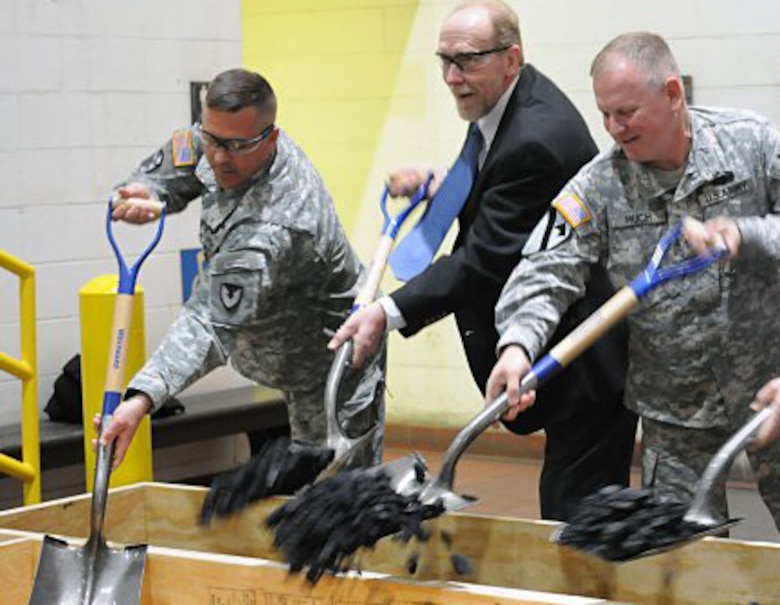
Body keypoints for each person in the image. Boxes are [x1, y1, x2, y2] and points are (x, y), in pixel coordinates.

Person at [328, 0, 637, 521]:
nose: (452, 76)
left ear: (510, 59)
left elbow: (483, 260)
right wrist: (437, 187)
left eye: (467, 60)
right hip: (548, 343)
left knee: (575, 519)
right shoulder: (502, 108)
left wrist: (385, 312)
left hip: (583, 358)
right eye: (444, 60)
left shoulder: (536, 138)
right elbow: (486, 190)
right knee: (572, 512)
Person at [487, 31, 780, 528]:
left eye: (626, 112)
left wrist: (747, 233)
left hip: (771, 386)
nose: (614, 128)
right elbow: (543, 267)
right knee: (681, 558)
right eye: (604, 114)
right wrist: (517, 345)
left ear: (672, 93)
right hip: (675, 412)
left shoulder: (751, 143)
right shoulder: (597, 185)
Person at [101, 68, 386, 470]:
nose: (219, 156)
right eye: (213, 139)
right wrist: (149, 189)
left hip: (326, 362)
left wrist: (142, 398)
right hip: (266, 345)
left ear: (271, 138)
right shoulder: (219, 136)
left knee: (336, 493)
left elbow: (209, 323)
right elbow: (181, 157)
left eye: (235, 146)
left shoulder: (276, 224)